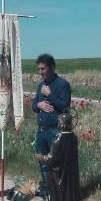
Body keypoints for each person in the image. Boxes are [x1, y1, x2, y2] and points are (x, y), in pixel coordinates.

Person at [35, 112, 83, 201]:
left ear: (61, 124)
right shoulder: (73, 137)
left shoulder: (58, 139)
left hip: (58, 178)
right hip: (70, 176)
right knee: (70, 200)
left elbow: (51, 159)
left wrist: (41, 157)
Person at [31, 53, 72, 184]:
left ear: (52, 67)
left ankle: (59, 196)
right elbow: (33, 105)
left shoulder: (62, 85)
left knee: (57, 164)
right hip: (41, 131)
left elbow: (64, 106)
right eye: (39, 69)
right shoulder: (40, 86)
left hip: (55, 131)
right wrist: (39, 104)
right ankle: (47, 193)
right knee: (43, 163)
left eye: (43, 69)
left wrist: (50, 95)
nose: (40, 72)